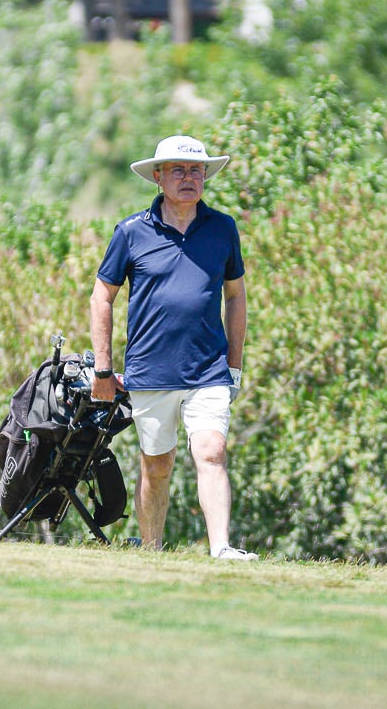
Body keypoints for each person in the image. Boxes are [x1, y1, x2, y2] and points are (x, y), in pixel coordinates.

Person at [90, 135, 257, 561]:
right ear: (159, 177)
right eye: (179, 170)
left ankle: (220, 548)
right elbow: (101, 297)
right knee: (157, 465)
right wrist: (104, 372)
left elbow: (236, 296)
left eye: (197, 170)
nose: (189, 178)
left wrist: (233, 367)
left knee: (212, 451)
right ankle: (152, 551)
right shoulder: (130, 231)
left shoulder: (223, 228)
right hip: (151, 371)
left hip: (209, 371)